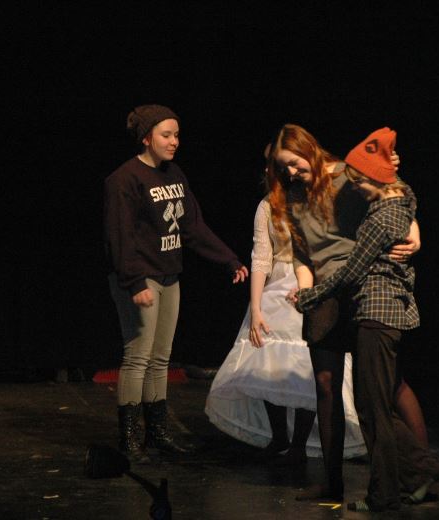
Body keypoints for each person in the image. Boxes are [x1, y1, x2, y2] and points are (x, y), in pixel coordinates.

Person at [265, 124, 424, 502]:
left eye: (294, 163)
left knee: (387, 387)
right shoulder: (290, 196)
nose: (290, 172)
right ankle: (332, 481)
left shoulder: (346, 176)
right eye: (282, 168)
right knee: (325, 385)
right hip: (324, 292)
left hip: (362, 283)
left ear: (310, 150)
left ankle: (419, 472)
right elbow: (303, 253)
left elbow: (394, 194)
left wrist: (415, 231)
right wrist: (306, 289)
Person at [104, 104, 248, 464]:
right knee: (138, 356)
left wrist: (228, 258)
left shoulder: (174, 175)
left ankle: (158, 432)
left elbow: (192, 227)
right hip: (140, 277)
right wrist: (135, 281)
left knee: (160, 358)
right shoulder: (124, 179)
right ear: (147, 137)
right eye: (166, 135)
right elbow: (119, 237)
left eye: (177, 135)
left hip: (170, 274)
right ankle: (130, 437)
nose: (174, 142)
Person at [205, 146, 366, 465]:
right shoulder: (267, 206)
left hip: (310, 287)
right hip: (276, 290)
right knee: (270, 365)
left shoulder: (316, 200)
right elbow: (261, 258)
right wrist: (255, 308)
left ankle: (298, 443)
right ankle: (280, 436)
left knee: (307, 367)